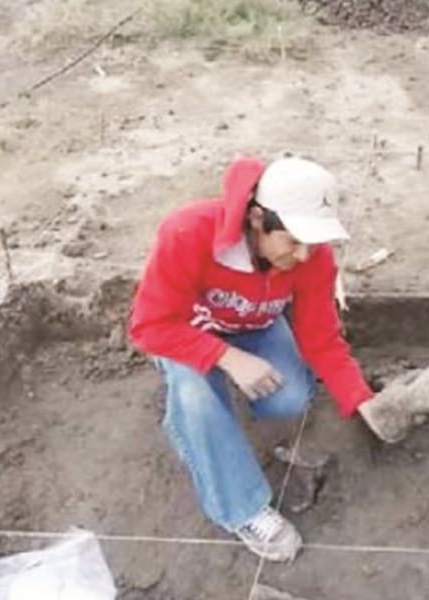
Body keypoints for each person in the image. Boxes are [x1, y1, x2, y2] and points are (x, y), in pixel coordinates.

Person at [129, 155, 382, 562]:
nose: (302, 256)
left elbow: (322, 339)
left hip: (256, 326)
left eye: (312, 243)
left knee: (290, 398)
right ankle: (242, 507)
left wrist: (362, 400)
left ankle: (218, 413)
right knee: (196, 401)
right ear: (257, 218)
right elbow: (148, 327)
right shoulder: (187, 232)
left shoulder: (312, 257)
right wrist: (227, 357)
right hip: (185, 330)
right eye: (293, 240)